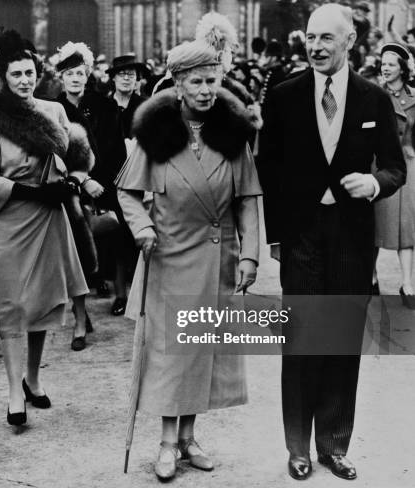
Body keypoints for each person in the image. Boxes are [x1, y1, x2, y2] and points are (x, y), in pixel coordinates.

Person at [258, 4, 406, 481]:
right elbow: (270, 170)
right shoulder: (282, 96)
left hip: (351, 237)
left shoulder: (373, 99)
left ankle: (334, 445)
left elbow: (395, 167)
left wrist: (375, 183)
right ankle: (297, 447)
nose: (315, 46)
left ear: (349, 42)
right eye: (310, 37)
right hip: (300, 235)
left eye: (326, 38)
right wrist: (277, 236)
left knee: (342, 341)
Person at [116, 39, 262, 482]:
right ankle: (165, 442)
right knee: (169, 354)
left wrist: (251, 255)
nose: (205, 90)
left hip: (218, 258)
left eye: (212, 81)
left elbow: (248, 201)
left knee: (204, 353)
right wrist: (142, 228)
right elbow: (126, 190)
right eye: (196, 82)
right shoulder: (156, 135)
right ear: (177, 85)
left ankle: (189, 438)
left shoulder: (233, 135)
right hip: (167, 258)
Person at [0, 29, 89, 425]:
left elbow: (76, 157)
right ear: (3, 77)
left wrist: (73, 179)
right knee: (11, 304)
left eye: (29, 73)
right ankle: (12, 394)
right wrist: (32, 192)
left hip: (49, 219)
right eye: (16, 74)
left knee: (42, 302)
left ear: (38, 74)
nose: (23, 80)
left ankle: (33, 379)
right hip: (10, 220)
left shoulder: (54, 111)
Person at [55, 41, 130, 318]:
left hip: (106, 182)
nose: (76, 79)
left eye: (80, 73)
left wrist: (103, 181)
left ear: (89, 76)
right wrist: (83, 179)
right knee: (76, 246)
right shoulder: (54, 109)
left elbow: (115, 150)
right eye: (69, 73)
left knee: (116, 237)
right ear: (60, 77)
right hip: (71, 186)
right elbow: (53, 154)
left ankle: (120, 293)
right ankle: (80, 313)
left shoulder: (104, 106)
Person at [373, 43, 415, 307]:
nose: (385, 68)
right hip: (381, 166)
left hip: (409, 166)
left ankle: (407, 284)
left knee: (408, 227)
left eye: (390, 64)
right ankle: (372, 278)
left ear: (402, 68)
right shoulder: (374, 95)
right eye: (383, 64)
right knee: (375, 224)